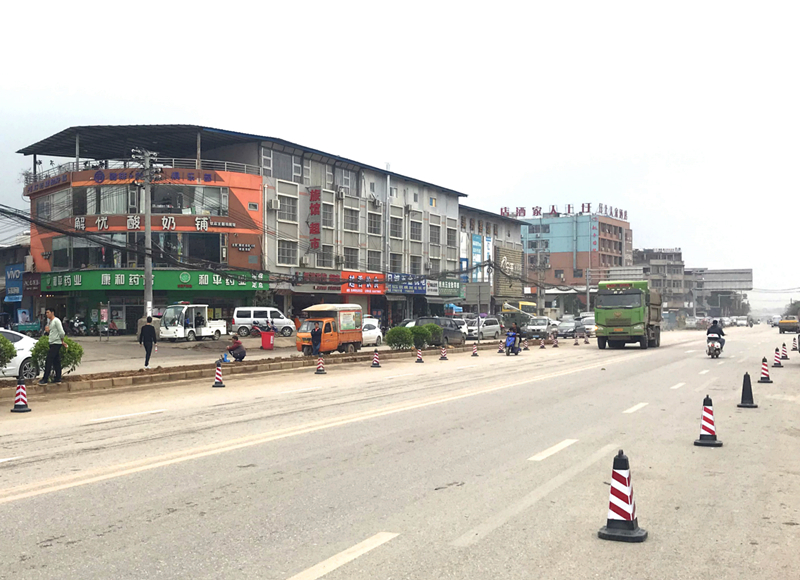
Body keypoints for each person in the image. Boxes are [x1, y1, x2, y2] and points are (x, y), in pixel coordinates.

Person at [40, 308, 67, 385]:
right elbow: (53, 332)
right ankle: (58, 378)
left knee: (49, 360)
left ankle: (45, 379)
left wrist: (62, 340)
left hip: (56, 343)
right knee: (56, 361)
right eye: (46, 313)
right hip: (52, 342)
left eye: (48, 312)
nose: (47, 314)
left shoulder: (56, 321)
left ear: (52, 313)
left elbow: (62, 332)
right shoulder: (50, 322)